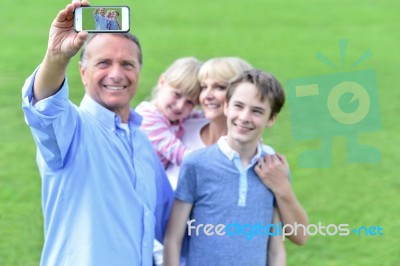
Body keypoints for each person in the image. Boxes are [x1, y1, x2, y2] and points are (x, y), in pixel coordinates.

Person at [21, 1, 173, 265]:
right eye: (104, 63)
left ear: (138, 71)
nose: (116, 74)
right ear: (82, 71)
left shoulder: (142, 143)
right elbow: (45, 109)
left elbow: (170, 222)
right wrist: (57, 57)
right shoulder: (72, 130)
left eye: (127, 64)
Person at [164, 69, 290, 265]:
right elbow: (173, 239)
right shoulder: (196, 164)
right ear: (226, 107)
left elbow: (275, 249)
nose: (245, 117)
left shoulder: (272, 169)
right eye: (238, 106)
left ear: (271, 118)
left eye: (257, 111)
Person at [136, 57, 202, 170]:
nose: (180, 106)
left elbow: (207, 117)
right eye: (176, 94)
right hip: (133, 181)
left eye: (190, 102)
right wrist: (214, 161)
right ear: (162, 82)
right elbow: (180, 155)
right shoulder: (147, 118)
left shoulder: (177, 116)